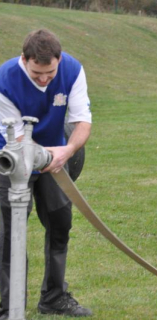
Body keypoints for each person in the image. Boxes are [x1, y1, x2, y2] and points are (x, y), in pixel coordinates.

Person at [0, 29, 92, 318]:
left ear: (59, 59)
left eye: (49, 72)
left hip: (54, 160)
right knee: (8, 237)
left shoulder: (72, 70)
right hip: (11, 162)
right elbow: (18, 142)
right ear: (24, 59)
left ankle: (54, 297)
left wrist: (66, 151)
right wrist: (50, 155)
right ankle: (8, 308)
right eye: (37, 72)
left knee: (60, 226)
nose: (44, 79)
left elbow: (82, 123)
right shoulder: (4, 79)